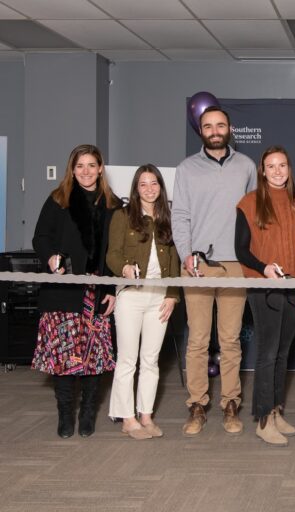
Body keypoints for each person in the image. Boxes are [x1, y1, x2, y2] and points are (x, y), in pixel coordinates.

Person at [172, 106, 257, 436]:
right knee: (198, 340)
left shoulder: (247, 166)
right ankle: (197, 405)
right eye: (208, 126)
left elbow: (254, 217)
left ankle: (231, 403)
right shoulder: (186, 168)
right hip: (198, 266)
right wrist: (186, 255)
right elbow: (180, 216)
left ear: (229, 128)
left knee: (230, 339)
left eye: (220, 125)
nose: (215, 130)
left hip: (236, 265)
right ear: (201, 131)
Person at [32, 144, 121, 438]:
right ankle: (65, 414)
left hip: (97, 293)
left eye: (91, 165)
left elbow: (115, 251)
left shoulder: (112, 205)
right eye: (80, 165)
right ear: (72, 169)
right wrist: (51, 257)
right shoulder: (58, 199)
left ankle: (87, 414)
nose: (86, 171)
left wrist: (112, 289)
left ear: (100, 168)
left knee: (94, 359)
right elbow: (41, 237)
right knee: (64, 359)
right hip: (62, 292)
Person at [235, 146, 295, 446]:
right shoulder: (250, 202)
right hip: (263, 286)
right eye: (271, 166)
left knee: (283, 353)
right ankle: (263, 418)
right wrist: (263, 268)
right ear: (263, 171)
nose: (278, 171)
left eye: (283, 165)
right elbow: (241, 249)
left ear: (289, 169)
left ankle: (277, 409)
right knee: (267, 353)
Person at [106, 164, 180, 440]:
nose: (149, 189)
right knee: (128, 359)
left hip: (159, 296)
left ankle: (146, 415)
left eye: (154, 183)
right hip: (131, 296)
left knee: (151, 359)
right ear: (136, 189)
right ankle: (127, 418)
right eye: (143, 184)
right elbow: (112, 254)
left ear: (161, 187)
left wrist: (173, 295)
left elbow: (174, 261)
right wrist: (124, 268)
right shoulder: (122, 216)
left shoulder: (168, 218)